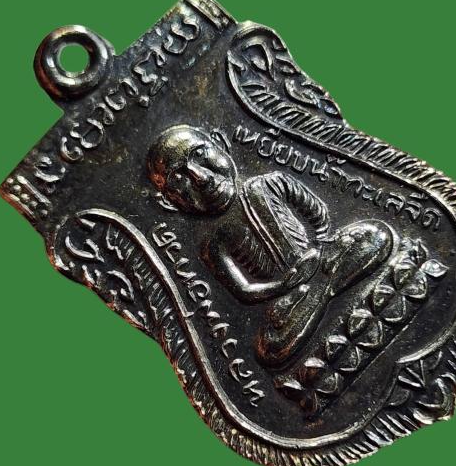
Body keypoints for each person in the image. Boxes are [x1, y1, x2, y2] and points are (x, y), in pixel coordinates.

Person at [148, 125, 393, 368]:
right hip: (291, 296)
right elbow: (244, 289)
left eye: (200, 154)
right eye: (178, 178)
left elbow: (316, 211)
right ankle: (323, 291)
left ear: (220, 143)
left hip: (323, 259)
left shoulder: (269, 183)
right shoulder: (213, 243)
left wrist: (319, 246)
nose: (201, 178)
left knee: (374, 235)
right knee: (271, 347)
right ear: (170, 201)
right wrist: (282, 285)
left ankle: (322, 291)